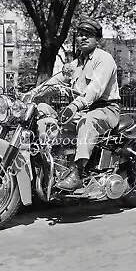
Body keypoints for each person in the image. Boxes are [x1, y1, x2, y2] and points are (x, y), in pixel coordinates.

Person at [29, 17, 121, 192]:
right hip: (82, 110)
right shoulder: (75, 64)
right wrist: (31, 94)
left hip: (105, 109)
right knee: (51, 123)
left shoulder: (104, 59)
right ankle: (51, 168)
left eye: (89, 35)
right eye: (80, 35)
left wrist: (76, 105)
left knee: (87, 121)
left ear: (97, 39)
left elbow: (96, 88)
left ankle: (78, 173)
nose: (83, 38)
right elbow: (55, 81)